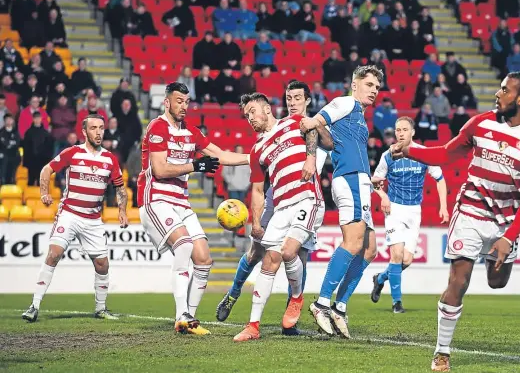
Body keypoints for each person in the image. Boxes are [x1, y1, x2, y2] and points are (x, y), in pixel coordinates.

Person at [390, 71, 520, 372]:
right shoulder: (480, 123)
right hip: (470, 211)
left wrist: (509, 237)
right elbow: (445, 154)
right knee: (459, 280)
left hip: (506, 222)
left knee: (497, 282)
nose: (497, 94)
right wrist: (410, 150)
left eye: (504, 90)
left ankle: (497, 256)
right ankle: (442, 352)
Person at [216, 81, 333, 339]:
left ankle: (296, 299)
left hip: (306, 198)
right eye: (246, 116)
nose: (249, 119)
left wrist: (311, 157)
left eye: (252, 112)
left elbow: (315, 132)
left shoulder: (293, 122)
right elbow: (258, 190)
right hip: (280, 205)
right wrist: (256, 222)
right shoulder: (257, 149)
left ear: (267, 108)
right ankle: (253, 325)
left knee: (291, 252)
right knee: (267, 259)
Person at [137, 82, 249, 335]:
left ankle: (190, 319)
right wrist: (194, 166)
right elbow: (160, 169)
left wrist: (253, 158)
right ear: (166, 102)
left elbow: (219, 154)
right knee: (185, 245)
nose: (183, 106)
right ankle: (181, 314)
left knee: (204, 259)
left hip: (180, 203)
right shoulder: (158, 127)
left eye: (187, 102)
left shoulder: (191, 132)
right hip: (156, 199)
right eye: (179, 101)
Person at [300, 65, 383, 338]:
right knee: (353, 242)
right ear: (355, 84)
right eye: (369, 85)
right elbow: (315, 121)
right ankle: (322, 303)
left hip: (360, 181)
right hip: (349, 179)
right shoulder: (347, 103)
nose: (374, 91)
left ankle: (340, 306)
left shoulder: (359, 116)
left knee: (370, 248)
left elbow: (327, 138)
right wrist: (312, 129)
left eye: (377, 87)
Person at [21, 114, 127, 323]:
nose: (98, 132)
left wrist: (122, 210)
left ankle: (101, 309)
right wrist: (44, 193)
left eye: (101, 128)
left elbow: (120, 187)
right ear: (84, 132)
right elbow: (46, 169)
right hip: (69, 214)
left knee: (102, 265)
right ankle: (34, 305)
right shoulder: (73, 152)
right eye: (94, 128)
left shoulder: (110, 158)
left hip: (93, 219)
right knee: (54, 254)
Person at [370, 117, 449, 313]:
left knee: (406, 260)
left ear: (412, 132)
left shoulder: (422, 153)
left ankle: (380, 278)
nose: (401, 133)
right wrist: (383, 196)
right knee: (396, 255)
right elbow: (375, 180)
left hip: (415, 211)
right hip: (395, 209)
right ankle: (397, 303)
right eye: (398, 130)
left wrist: (443, 207)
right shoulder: (388, 155)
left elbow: (440, 179)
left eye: (405, 129)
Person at [0, 113, 20, 184]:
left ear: (13, 121)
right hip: (3, 156)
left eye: (10, 119)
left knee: (13, 171)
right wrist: (10, 143)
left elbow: (17, 143)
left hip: (14, 155)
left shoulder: (16, 132)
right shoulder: (1, 132)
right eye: (7, 120)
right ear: (4, 121)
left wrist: (8, 143)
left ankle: (12, 181)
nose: (8, 121)